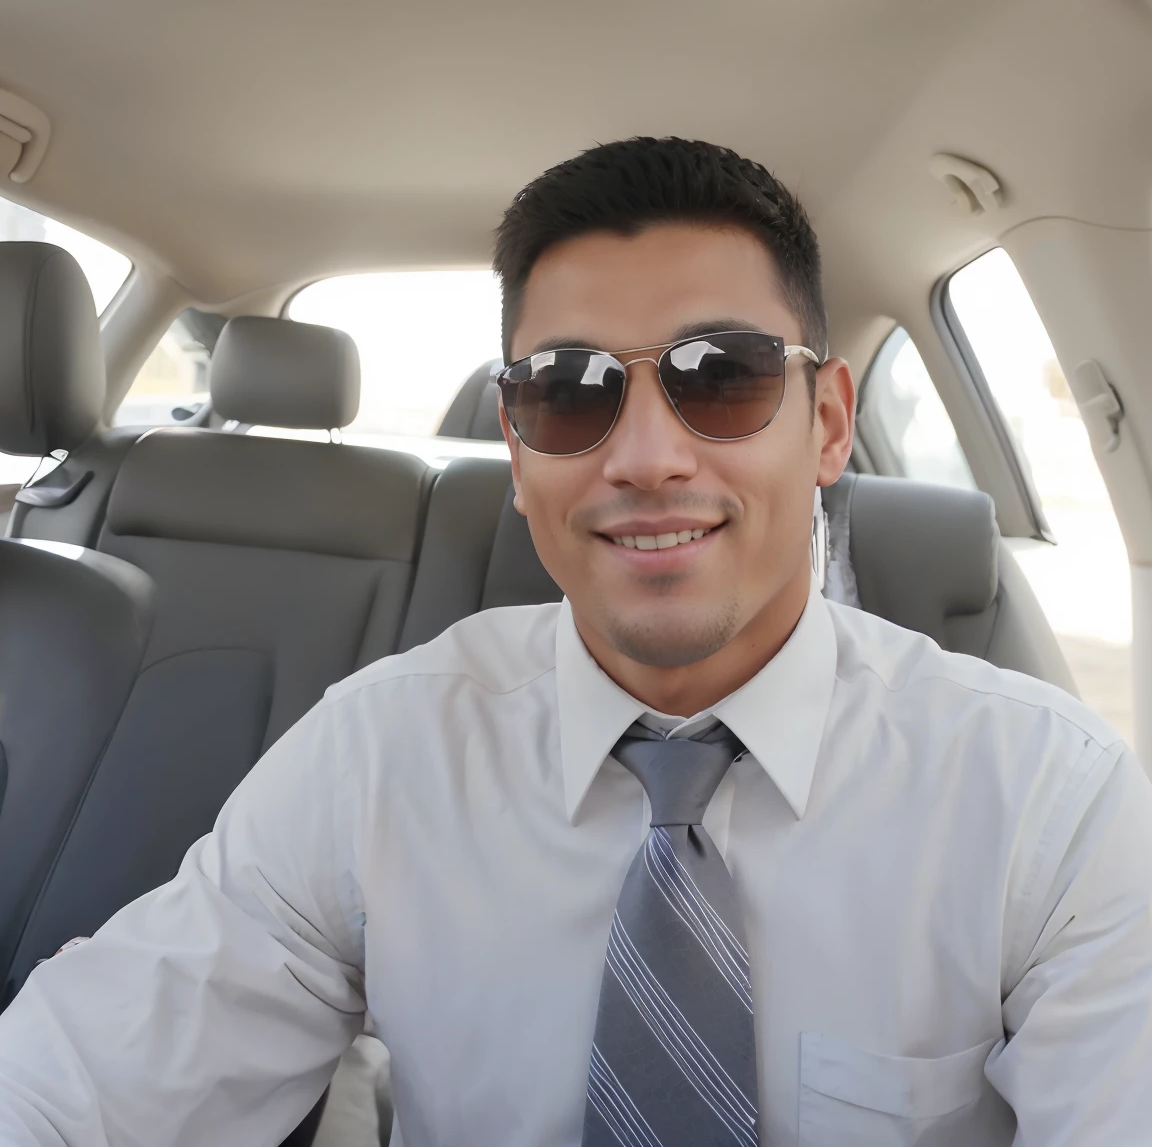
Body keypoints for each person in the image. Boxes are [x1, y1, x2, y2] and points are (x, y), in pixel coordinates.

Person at [0, 136, 1149, 1146]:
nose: (646, 455)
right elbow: (82, 1080)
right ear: (516, 445)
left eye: (727, 377)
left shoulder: (1047, 804)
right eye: (568, 391)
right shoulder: (378, 759)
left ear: (831, 424)